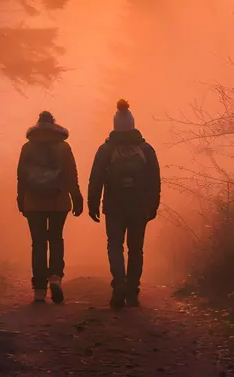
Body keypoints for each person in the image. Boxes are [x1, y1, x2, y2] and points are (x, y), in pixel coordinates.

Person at [88, 99, 160, 309]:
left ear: (115, 126)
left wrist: (93, 204)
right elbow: (154, 181)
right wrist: (153, 205)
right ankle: (132, 291)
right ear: (132, 124)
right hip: (139, 207)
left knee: (115, 246)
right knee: (136, 249)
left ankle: (119, 283)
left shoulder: (106, 150)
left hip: (114, 206)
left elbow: (96, 179)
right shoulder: (146, 149)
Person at [17, 110, 83, 303]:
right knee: (55, 238)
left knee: (38, 243)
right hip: (58, 201)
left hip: (33, 201)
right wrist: (76, 197)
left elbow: (21, 176)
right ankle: (55, 277)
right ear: (54, 125)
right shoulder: (63, 147)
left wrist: (21, 199)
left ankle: (39, 289)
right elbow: (71, 174)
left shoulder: (27, 148)